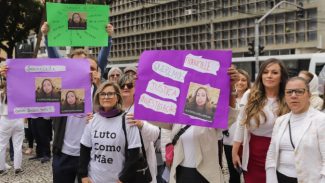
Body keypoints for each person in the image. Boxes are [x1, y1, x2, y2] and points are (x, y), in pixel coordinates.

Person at [41, 22, 114, 183]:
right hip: (63, 155)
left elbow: (101, 61)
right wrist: (47, 37)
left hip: (90, 155)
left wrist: (108, 39)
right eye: (75, 66)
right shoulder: (62, 88)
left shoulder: (100, 92)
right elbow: (56, 60)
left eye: (86, 66)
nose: (82, 69)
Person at [158, 66, 238, 183]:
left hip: (206, 176)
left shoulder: (212, 115)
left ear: (207, 97)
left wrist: (231, 88)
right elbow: (156, 117)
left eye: (203, 95)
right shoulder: (179, 114)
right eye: (198, 94)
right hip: (181, 174)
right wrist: (141, 85)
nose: (200, 97)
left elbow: (230, 114)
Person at [232, 58, 289, 183]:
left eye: (274, 72)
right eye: (265, 72)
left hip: (280, 154)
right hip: (253, 154)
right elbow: (241, 124)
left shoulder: (288, 97)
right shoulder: (250, 95)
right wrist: (235, 150)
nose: (269, 75)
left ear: (281, 77)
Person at [78, 81, 142, 183]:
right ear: (98, 97)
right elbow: (84, 150)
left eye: (110, 94)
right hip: (93, 179)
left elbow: (134, 155)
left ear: (117, 97)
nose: (106, 97)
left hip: (118, 179)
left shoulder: (128, 120)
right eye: (102, 94)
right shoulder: (92, 120)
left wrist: (123, 179)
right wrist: (83, 175)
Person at [266, 77, 325, 183]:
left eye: (299, 91)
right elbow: (272, 153)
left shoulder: (321, 120)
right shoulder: (280, 121)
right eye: (289, 92)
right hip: (281, 177)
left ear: (309, 95)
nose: (293, 96)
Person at [119, 74, 160, 183]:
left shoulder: (144, 107)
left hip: (142, 164)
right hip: (120, 164)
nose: (125, 88)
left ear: (135, 88)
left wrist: (141, 124)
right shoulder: (114, 110)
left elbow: (155, 134)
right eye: (122, 85)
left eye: (129, 85)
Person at [223, 69, 251, 183]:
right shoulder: (226, 98)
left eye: (244, 80)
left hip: (245, 143)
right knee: (232, 174)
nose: (240, 82)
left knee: (246, 173)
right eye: (238, 79)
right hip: (228, 142)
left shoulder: (252, 98)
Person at [0, 68, 25, 175]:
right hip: (18, 119)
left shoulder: (1, 93)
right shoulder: (20, 92)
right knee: (17, 145)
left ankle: (1, 168)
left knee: (1, 145)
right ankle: (17, 167)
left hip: (5, 119)